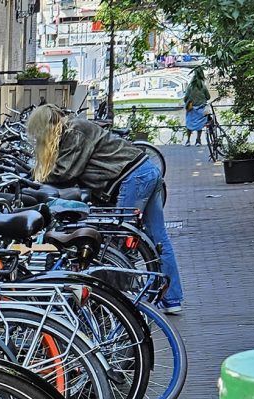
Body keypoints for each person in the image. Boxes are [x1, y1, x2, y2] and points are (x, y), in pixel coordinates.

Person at [26, 105, 184, 313]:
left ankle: (120, 306)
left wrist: (33, 180)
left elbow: (67, 172)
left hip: (133, 177)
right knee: (158, 238)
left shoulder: (75, 130)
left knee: (120, 242)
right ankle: (172, 299)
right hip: (144, 171)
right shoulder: (73, 128)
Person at [184, 67, 211, 146]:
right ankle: (198, 140)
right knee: (200, 125)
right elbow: (208, 97)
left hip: (191, 109)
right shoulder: (203, 86)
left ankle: (188, 140)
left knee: (189, 125)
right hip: (201, 109)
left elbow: (186, 98)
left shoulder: (190, 86)